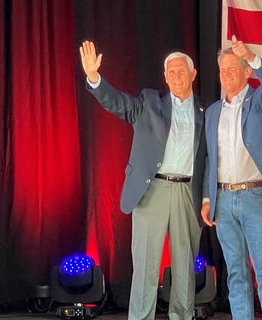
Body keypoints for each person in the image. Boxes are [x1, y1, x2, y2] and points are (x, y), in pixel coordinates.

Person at [79, 40, 206, 320]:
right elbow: (118, 103)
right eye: (170, 72)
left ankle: (182, 316)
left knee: (185, 267)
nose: (175, 76)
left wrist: (209, 198)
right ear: (165, 77)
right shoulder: (150, 103)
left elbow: (210, 160)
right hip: (152, 191)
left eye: (180, 71)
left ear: (193, 74)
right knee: (147, 266)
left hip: (187, 193)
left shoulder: (205, 112)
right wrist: (94, 78)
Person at [200, 35, 262, 320]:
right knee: (236, 273)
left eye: (232, 69)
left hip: (255, 196)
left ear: (246, 72)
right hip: (223, 201)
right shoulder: (212, 112)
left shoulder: (260, 101)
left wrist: (252, 57)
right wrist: (206, 198)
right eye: (222, 70)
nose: (225, 75)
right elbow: (211, 159)